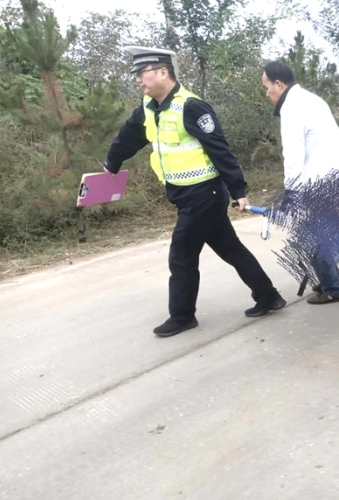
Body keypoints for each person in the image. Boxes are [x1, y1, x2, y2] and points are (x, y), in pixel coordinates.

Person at [104, 46, 285, 338]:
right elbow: (130, 136)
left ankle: (182, 315)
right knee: (230, 249)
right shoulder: (149, 108)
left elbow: (220, 150)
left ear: (163, 72)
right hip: (183, 195)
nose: (139, 80)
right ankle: (268, 296)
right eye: (137, 75)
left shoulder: (191, 106)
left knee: (182, 256)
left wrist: (238, 190)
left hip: (204, 195)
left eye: (143, 73)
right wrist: (112, 162)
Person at [261, 61, 339, 305]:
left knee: (308, 235)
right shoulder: (312, 99)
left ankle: (333, 288)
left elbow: (293, 155)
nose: (266, 92)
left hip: (321, 180)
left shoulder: (292, 108)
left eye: (266, 86)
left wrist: (291, 194)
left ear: (278, 84)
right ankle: (330, 278)